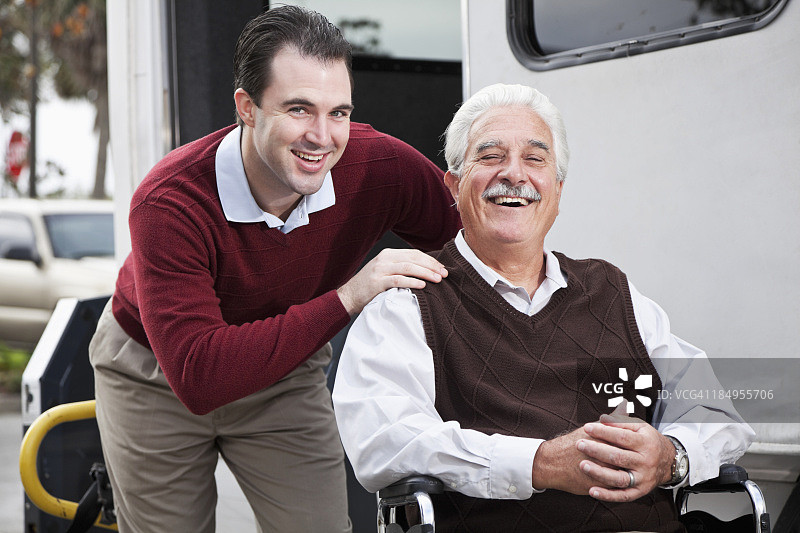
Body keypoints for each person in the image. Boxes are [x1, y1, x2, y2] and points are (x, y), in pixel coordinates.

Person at [88, 6, 461, 532]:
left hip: (285, 374)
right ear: (247, 107)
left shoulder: (379, 166)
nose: (322, 136)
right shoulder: (169, 200)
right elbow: (199, 376)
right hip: (155, 373)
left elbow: (477, 244)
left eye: (339, 113)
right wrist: (349, 297)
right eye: (299, 109)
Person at [332, 83, 755, 532]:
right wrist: (538, 463)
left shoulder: (613, 291)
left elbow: (717, 413)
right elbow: (386, 441)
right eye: (491, 156)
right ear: (453, 186)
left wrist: (671, 457)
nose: (514, 174)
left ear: (556, 188)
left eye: (535, 159)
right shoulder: (408, 300)